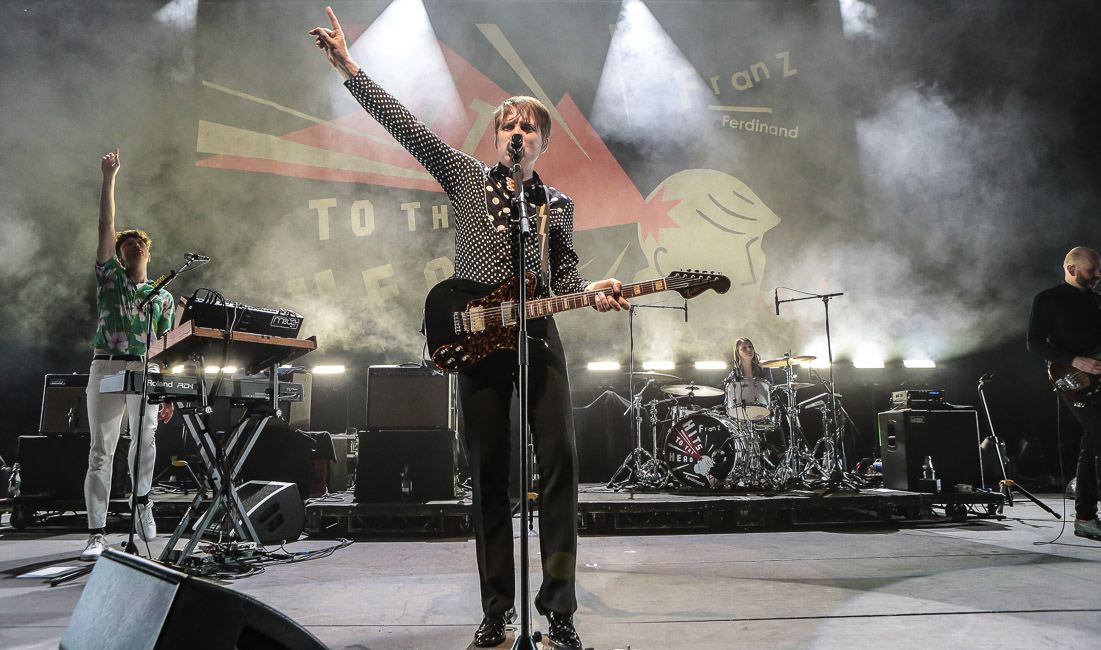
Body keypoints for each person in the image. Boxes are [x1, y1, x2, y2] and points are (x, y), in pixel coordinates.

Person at [310, 8, 629, 648]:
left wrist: (587, 291)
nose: (516, 133)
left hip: (537, 339)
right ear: (496, 137)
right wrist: (349, 67)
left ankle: (559, 611)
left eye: (528, 127)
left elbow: (563, 274)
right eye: (507, 124)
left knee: (561, 459)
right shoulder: (465, 176)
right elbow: (407, 128)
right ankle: (496, 609)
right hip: (478, 341)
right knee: (487, 474)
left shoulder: (555, 205)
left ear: (543, 141)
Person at [81, 148, 175, 561]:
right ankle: (97, 533)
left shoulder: (163, 297)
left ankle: (142, 506)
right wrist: (109, 176)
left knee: (145, 440)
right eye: (128, 242)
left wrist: (168, 388)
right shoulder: (110, 281)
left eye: (140, 242)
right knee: (102, 450)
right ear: (119, 255)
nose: (134, 244)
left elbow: (166, 347)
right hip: (106, 367)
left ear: (148, 254)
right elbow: (106, 223)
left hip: (145, 370)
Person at [1026, 246, 1101, 541]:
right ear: (1071, 269)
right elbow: (1034, 343)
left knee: (1091, 442)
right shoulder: (1047, 300)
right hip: (1072, 378)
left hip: (1097, 376)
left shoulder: (1097, 302)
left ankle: (1085, 517)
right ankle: (1086, 516)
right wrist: (1073, 360)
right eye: (1091, 270)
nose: (1097, 274)